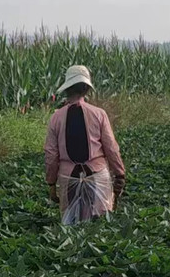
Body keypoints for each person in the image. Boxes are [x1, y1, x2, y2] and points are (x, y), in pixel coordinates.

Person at [44, 65, 126, 226]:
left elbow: (51, 155)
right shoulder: (99, 114)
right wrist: (120, 174)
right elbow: (111, 148)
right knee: (99, 225)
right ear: (86, 89)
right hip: (97, 175)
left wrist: (51, 184)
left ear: (67, 89)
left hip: (69, 178)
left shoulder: (56, 118)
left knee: (71, 225)